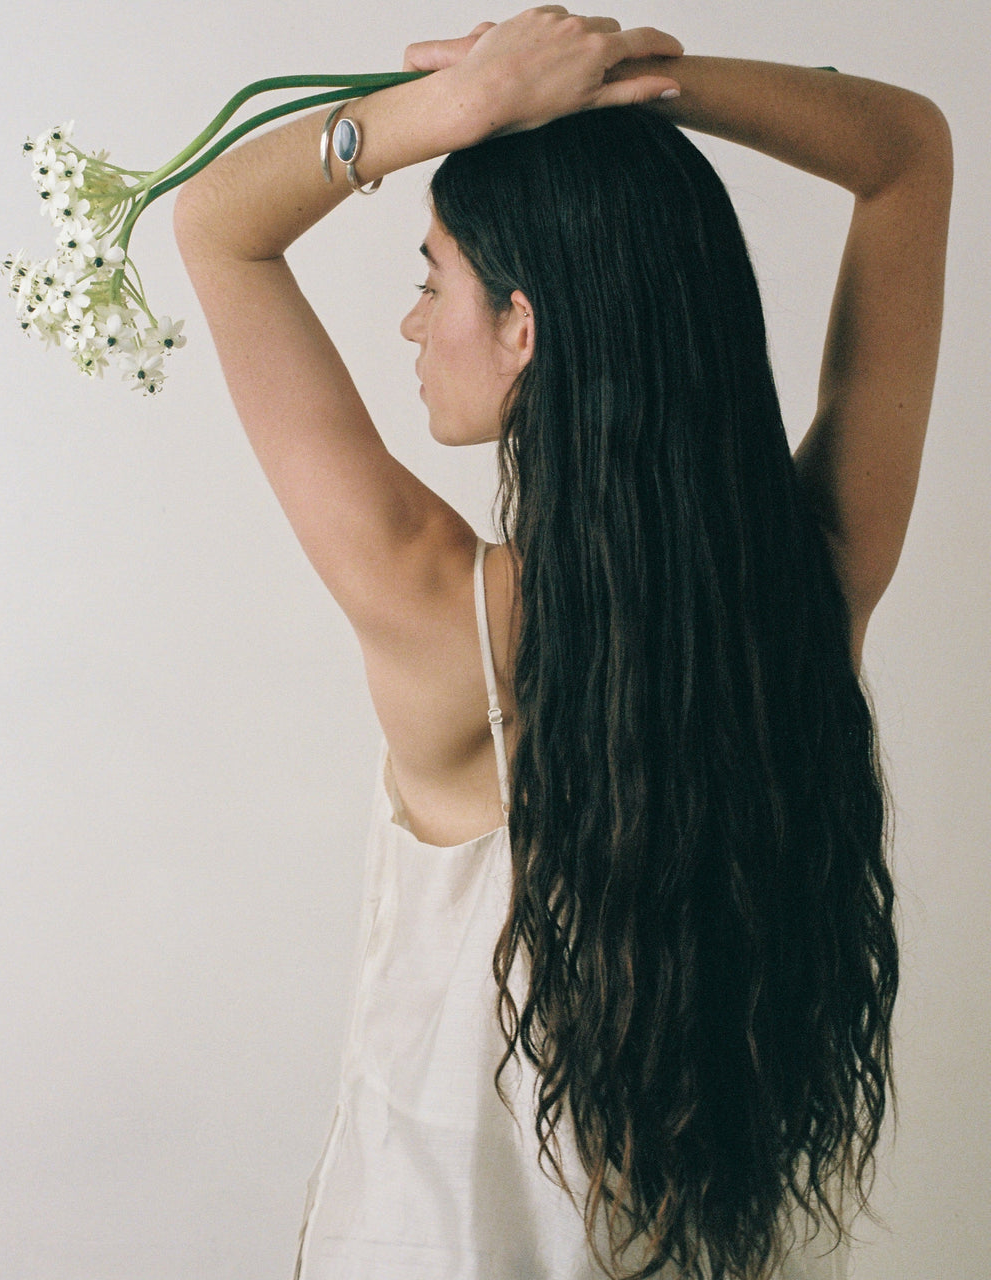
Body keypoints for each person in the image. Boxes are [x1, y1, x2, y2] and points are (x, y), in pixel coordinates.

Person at [173, 8, 951, 1278]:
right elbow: (907, 150)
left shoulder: (449, 618)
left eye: (433, 279)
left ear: (526, 326)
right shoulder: (813, 580)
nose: (415, 323)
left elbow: (215, 224)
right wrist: (639, 79)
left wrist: (459, 107)